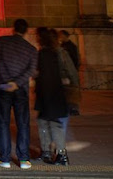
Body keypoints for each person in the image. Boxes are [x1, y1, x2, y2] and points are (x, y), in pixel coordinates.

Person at [0, 18, 37, 170]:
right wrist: (16, 83)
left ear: (13, 29)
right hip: (21, 90)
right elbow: (30, 70)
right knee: (23, 123)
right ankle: (24, 159)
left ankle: (4, 159)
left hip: (3, 88)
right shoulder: (31, 49)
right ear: (26, 31)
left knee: (3, 123)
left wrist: (7, 82)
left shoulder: (2, 41)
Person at [36, 27, 78, 166]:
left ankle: (58, 153)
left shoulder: (50, 54)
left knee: (52, 123)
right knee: (49, 122)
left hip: (53, 94)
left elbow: (70, 74)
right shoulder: (53, 53)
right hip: (53, 94)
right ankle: (51, 152)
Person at [58, 30, 81, 115]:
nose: (59, 37)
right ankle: (68, 107)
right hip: (66, 72)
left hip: (70, 72)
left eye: (60, 35)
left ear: (65, 36)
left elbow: (75, 60)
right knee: (67, 92)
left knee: (72, 91)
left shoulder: (71, 47)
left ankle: (73, 109)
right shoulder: (62, 46)